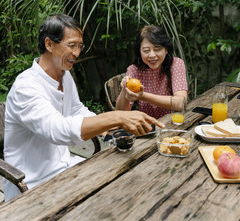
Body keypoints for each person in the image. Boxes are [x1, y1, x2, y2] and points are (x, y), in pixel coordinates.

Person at [3, 14, 164, 202]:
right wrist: (117, 118)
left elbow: (76, 110)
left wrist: (106, 128)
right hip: (31, 184)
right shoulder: (26, 87)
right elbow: (57, 130)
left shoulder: (64, 75)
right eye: (71, 45)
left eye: (80, 46)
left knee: (128, 184)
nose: (77, 53)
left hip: (65, 168)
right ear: (49, 44)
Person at [116, 25, 188, 119]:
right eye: (146, 50)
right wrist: (124, 90)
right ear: (140, 52)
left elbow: (180, 103)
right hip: (147, 126)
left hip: (173, 123)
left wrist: (142, 96)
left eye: (157, 49)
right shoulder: (134, 70)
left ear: (166, 49)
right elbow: (121, 112)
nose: (152, 55)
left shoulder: (176, 64)